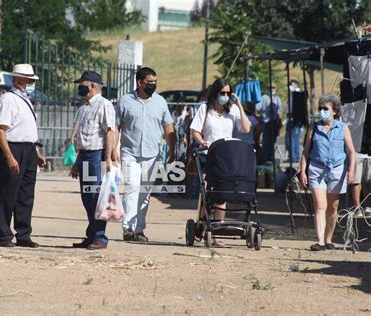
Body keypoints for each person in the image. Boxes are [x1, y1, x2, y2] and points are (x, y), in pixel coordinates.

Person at [114, 67, 176, 242]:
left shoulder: (160, 102)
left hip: (152, 154)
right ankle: (128, 228)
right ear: (140, 82)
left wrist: (171, 151)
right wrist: (113, 149)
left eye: (155, 82)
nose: (153, 85)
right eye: (150, 82)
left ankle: (139, 229)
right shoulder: (125, 101)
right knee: (132, 187)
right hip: (129, 152)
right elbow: (116, 126)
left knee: (145, 193)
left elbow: (169, 127)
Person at [190, 78, 251, 245]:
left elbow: (246, 128)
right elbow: (194, 130)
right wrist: (202, 142)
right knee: (206, 190)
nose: (225, 96)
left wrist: (239, 105)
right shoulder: (205, 109)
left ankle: (216, 232)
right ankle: (201, 224)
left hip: (227, 156)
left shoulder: (232, 111)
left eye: (228, 93)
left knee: (222, 194)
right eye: (222, 93)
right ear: (215, 93)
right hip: (209, 153)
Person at [0, 64, 46, 248]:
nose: (32, 83)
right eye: (29, 80)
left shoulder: (26, 100)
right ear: (19, 80)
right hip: (13, 148)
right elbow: (1, 131)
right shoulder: (8, 99)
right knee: (8, 192)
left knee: (26, 194)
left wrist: (36, 152)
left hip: (29, 149)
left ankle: (23, 234)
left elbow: (27, 130)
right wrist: (9, 156)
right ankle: (4, 234)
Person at [300, 95, 356, 251]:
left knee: (332, 207)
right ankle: (320, 241)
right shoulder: (313, 127)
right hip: (317, 169)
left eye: (326, 109)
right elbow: (306, 151)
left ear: (334, 111)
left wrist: (351, 171)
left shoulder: (343, 128)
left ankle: (328, 238)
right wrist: (303, 171)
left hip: (337, 170)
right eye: (320, 109)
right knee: (320, 205)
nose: (322, 112)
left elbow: (351, 152)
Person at [69, 70, 115, 250]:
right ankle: (91, 234)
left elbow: (109, 132)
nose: (80, 87)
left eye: (83, 84)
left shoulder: (104, 105)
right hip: (86, 156)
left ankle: (100, 237)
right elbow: (82, 138)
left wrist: (108, 158)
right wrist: (77, 163)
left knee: (97, 198)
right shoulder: (84, 108)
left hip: (97, 155)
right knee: (87, 198)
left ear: (93, 86)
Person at [256, 82, 281, 162]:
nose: (272, 89)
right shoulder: (263, 98)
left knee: (273, 142)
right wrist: (259, 119)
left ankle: (271, 157)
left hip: (275, 124)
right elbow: (257, 108)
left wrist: (279, 123)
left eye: (273, 88)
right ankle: (266, 158)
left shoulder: (277, 98)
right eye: (270, 88)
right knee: (266, 142)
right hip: (266, 123)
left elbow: (279, 111)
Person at [285, 79, 302, 163]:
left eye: (292, 84)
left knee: (292, 139)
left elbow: (298, 110)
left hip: (294, 121)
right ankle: (294, 156)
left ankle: (294, 157)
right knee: (291, 139)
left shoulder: (297, 95)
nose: (290, 86)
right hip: (291, 119)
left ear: (296, 85)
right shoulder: (292, 95)